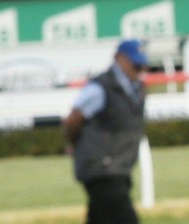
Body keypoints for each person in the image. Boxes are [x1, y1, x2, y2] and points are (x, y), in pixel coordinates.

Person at [62, 39, 149, 224]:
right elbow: (73, 120)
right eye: (135, 65)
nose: (140, 69)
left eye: (142, 65)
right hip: (101, 167)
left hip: (119, 167)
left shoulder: (136, 88)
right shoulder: (99, 88)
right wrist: (74, 143)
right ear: (119, 59)